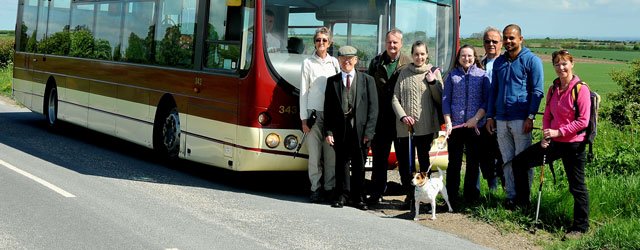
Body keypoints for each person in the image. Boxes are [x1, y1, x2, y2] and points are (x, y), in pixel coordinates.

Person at [511, 50, 590, 236]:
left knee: (577, 186)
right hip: (553, 141)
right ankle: (523, 205)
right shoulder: (554, 88)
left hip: (573, 144)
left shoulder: (581, 89)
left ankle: (580, 227)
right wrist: (547, 134)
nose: (561, 67)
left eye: (564, 63)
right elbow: (548, 114)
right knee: (520, 162)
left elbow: (583, 121)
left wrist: (558, 131)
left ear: (572, 64)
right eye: (557, 64)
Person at [485, 24, 544, 208]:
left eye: (512, 38)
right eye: (506, 38)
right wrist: (490, 116)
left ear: (521, 39)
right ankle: (511, 197)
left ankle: (524, 199)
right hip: (501, 119)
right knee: (507, 160)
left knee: (522, 160)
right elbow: (494, 90)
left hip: (521, 118)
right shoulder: (500, 62)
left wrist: (531, 116)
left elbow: (537, 91)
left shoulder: (532, 61)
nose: (509, 41)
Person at [324, 46, 378, 210]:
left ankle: (359, 198)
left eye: (350, 58)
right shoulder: (332, 81)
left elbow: (373, 108)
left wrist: (369, 132)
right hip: (341, 131)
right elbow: (328, 109)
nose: (347, 61)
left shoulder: (367, 80)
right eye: (343, 58)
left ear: (356, 60)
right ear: (338, 61)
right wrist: (329, 132)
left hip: (361, 131)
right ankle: (342, 196)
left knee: (359, 165)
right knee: (341, 164)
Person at [391, 41, 443, 209]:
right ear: (412, 55)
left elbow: (440, 99)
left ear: (427, 54)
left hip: (425, 126)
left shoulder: (433, 72)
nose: (419, 57)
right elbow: (394, 98)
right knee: (406, 163)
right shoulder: (404, 72)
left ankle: (426, 197)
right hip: (405, 127)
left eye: (422, 54)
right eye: (416, 54)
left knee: (424, 163)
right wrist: (403, 116)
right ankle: (410, 195)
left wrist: (433, 82)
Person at [366, 28, 412, 205]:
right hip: (381, 118)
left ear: (401, 44)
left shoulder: (409, 63)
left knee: (404, 159)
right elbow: (369, 89)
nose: (392, 45)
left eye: (395, 42)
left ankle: (410, 194)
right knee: (379, 159)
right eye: (389, 42)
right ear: (385, 43)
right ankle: (376, 193)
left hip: (401, 119)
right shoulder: (376, 62)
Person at [442, 44, 490, 204]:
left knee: (473, 163)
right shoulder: (452, 75)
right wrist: (448, 122)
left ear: (474, 57)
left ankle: (470, 198)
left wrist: (475, 119)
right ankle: (451, 197)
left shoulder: (482, 76)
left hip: (475, 126)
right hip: (455, 127)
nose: (466, 58)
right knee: (454, 163)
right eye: (463, 56)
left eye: (469, 56)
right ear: (459, 58)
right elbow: (446, 100)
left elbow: (486, 100)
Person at [300, 27, 340, 203]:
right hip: (313, 114)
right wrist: (303, 119)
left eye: (324, 40)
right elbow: (303, 91)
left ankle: (329, 188)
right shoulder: (307, 63)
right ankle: (315, 188)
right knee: (315, 155)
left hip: (331, 115)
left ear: (329, 43)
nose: (321, 43)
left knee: (330, 154)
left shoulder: (335, 63)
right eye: (318, 40)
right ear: (314, 42)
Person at [479, 27, 504, 191]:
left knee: (502, 154)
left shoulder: (505, 63)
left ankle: (507, 190)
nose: (491, 44)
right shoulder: (478, 64)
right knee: (485, 156)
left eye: (495, 41)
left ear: (501, 43)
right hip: (481, 118)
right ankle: (492, 190)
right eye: (487, 41)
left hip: (501, 116)